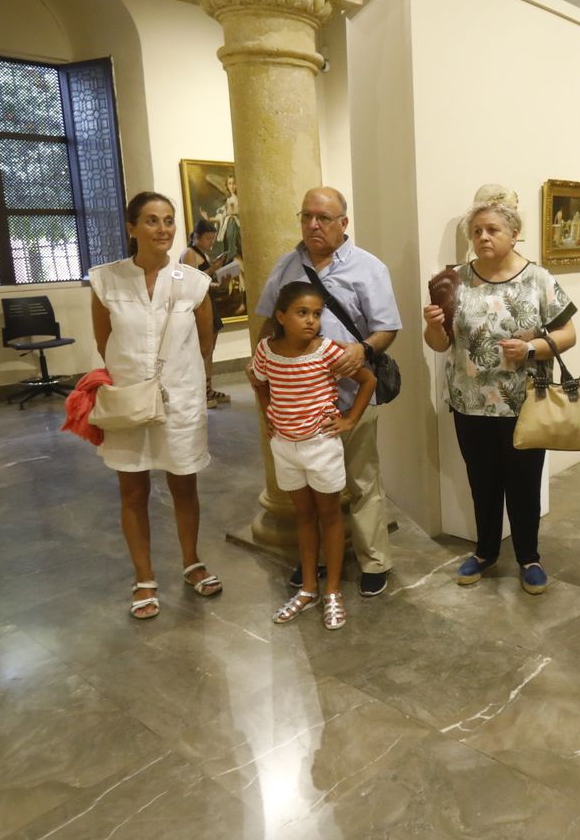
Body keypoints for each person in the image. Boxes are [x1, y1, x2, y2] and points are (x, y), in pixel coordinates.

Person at [422, 188, 578, 593]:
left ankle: (529, 557)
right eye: (476, 231)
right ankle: (485, 552)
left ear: (514, 233)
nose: (483, 238)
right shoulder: (453, 280)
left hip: (524, 401)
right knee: (483, 483)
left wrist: (530, 348)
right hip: (470, 402)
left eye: (492, 229)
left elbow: (568, 333)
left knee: (524, 486)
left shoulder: (538, 279)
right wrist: (434, 324)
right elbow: (440, 345)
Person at [255, 187, 402, 596]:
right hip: (298, 403)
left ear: (343, 223)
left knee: (361, 481)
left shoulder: (368, 267)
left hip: (350, 396)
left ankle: (374, 560)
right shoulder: (286, 266)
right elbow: (269, 323)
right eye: (306, 217)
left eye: (323, 217)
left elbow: (387, 327)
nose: (313, 225)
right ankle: (314, 561)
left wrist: (363, 349)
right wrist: (267, 380)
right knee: (307, 492)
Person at [90, 191, 221, 619]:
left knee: (184, 482)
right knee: (133, 489)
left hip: (180, 398)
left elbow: (205, 341)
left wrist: (184, 380)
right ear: (131, 228)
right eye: (151, 220)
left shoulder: (194, 281)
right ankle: (144, 577)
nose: (162, 229)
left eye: (168, 220)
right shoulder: (106, 281)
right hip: (129, 399)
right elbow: (103, 341)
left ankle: (191, 562)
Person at [253, 281, 376, 631]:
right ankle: (308, 588)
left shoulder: (327, 351)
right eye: (301, 313)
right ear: (281, 316)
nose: (311, 321)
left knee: (330, 516)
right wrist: (269, 418)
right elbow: (259, 382)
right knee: (303, 517)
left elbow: (368, 381)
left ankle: (333, 590)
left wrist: (349, 420)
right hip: (286, 448)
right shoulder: (266, 351)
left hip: (321, 446)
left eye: (317, 314)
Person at [180, 218, 231, 409]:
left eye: (213, 239)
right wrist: (214, 268)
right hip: (197, 307)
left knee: (209, 350)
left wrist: (222, 284)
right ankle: (200, 391)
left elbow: (207, 283)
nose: (211, 242)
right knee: (201, 350)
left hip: (208, 303)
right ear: (197, 237)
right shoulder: (189, 254)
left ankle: (208, 388)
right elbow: (192, 281)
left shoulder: (203, 254)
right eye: (208, 238)